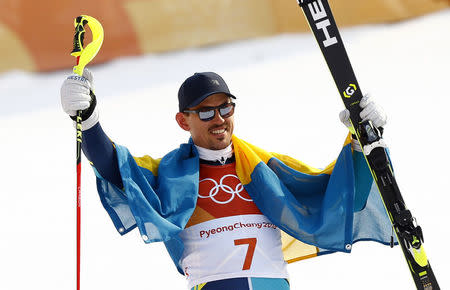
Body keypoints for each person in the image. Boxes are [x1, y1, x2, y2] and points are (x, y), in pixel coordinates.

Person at [61, 70, 392, 290]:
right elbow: (115, 168)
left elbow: (340, 194)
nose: (218, 119)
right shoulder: (169, 174)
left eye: (226, 108)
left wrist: (361, 141)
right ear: (183, 120)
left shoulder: (265, 168)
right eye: (206, 112)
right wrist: (89, 120)